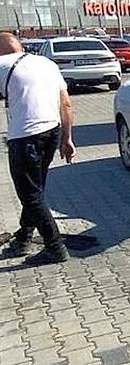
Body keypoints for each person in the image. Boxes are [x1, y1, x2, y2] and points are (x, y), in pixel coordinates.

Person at [0, 33, 76, 266]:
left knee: (30, 194)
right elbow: (66, 103)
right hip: (51, 132)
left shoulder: (2, 64)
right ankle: (23, 238)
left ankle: (55, 248)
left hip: (25, 137)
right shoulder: (46, 63)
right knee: (35, 189)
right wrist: (67, 138)